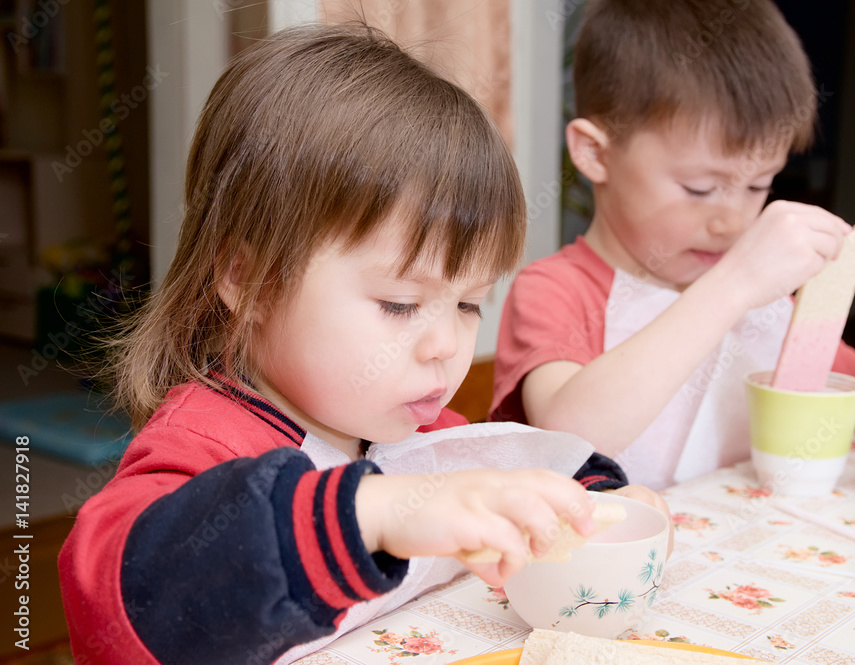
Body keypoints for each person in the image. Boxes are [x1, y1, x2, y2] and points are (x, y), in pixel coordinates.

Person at [58, 24, 667, 665]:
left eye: (467, 304)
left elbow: (516, 468)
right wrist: (370, 512)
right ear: (250, 279)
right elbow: (117, 597)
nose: (444, 345)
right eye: (399, 304)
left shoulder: (417, 437)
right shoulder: (204, 443)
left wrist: (594, 504)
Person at [491, 0, 855, 490]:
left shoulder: (764, 299)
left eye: (759, 186)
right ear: (596, 153)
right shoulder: (556, 290)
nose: (732, 220)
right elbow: (574, 441)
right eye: (700, 189)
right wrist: (733, 287)